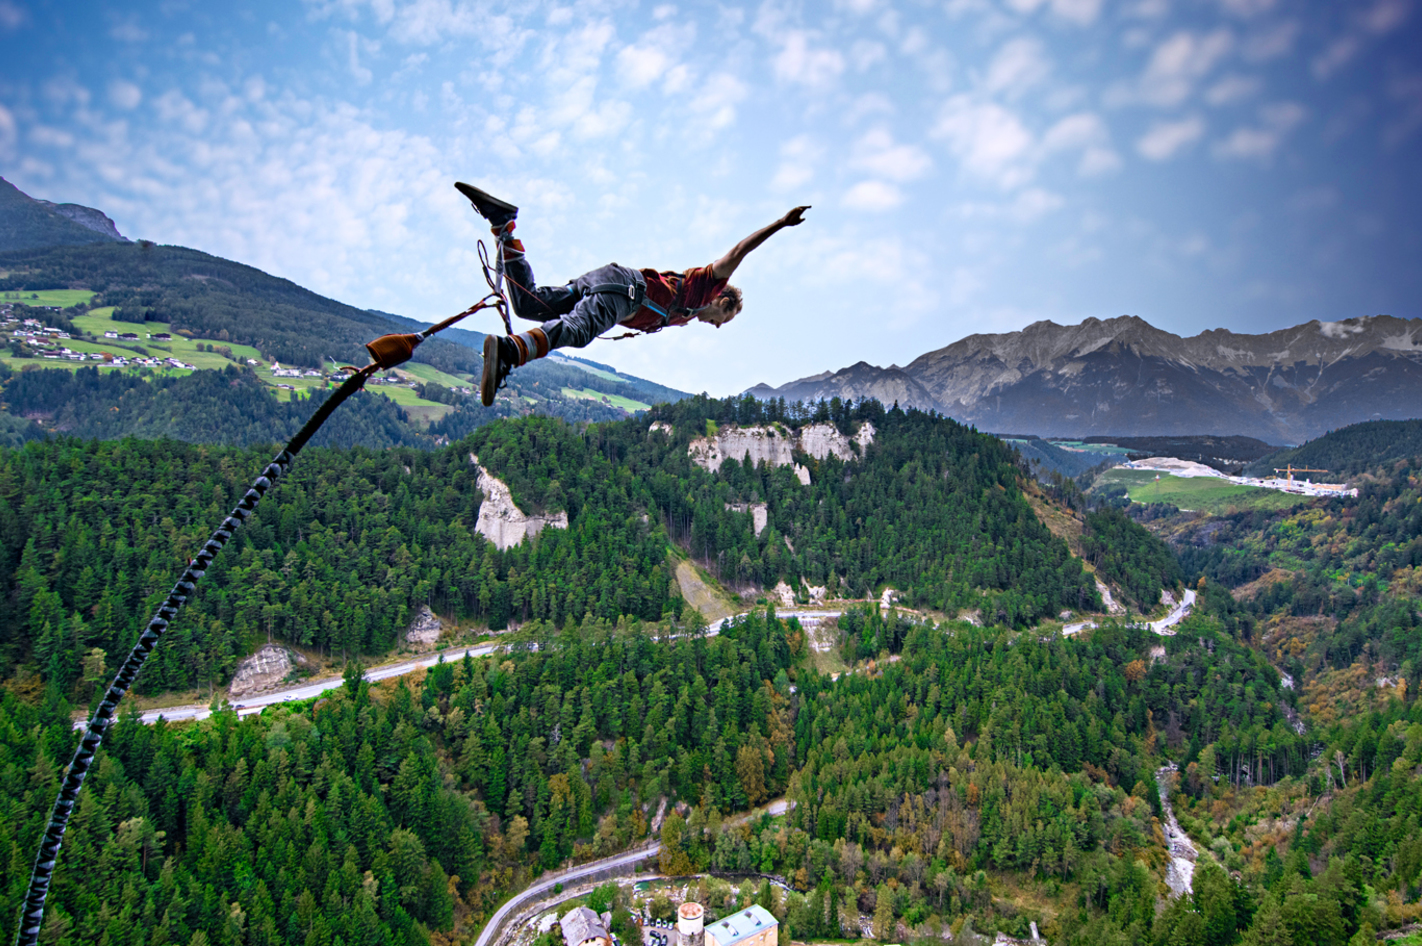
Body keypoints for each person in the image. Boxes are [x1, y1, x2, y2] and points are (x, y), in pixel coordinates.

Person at [456, 182, 809, 406]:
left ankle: (504, 226)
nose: (717, 326)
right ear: (722, 300)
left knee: (529, 304)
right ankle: (508, 351)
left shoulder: (685, 312)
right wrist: (781, 223)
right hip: (624, 293)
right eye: (724, 319)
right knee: (579, 332)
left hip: (605, 283)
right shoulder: (707, 285)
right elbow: (738, 252)